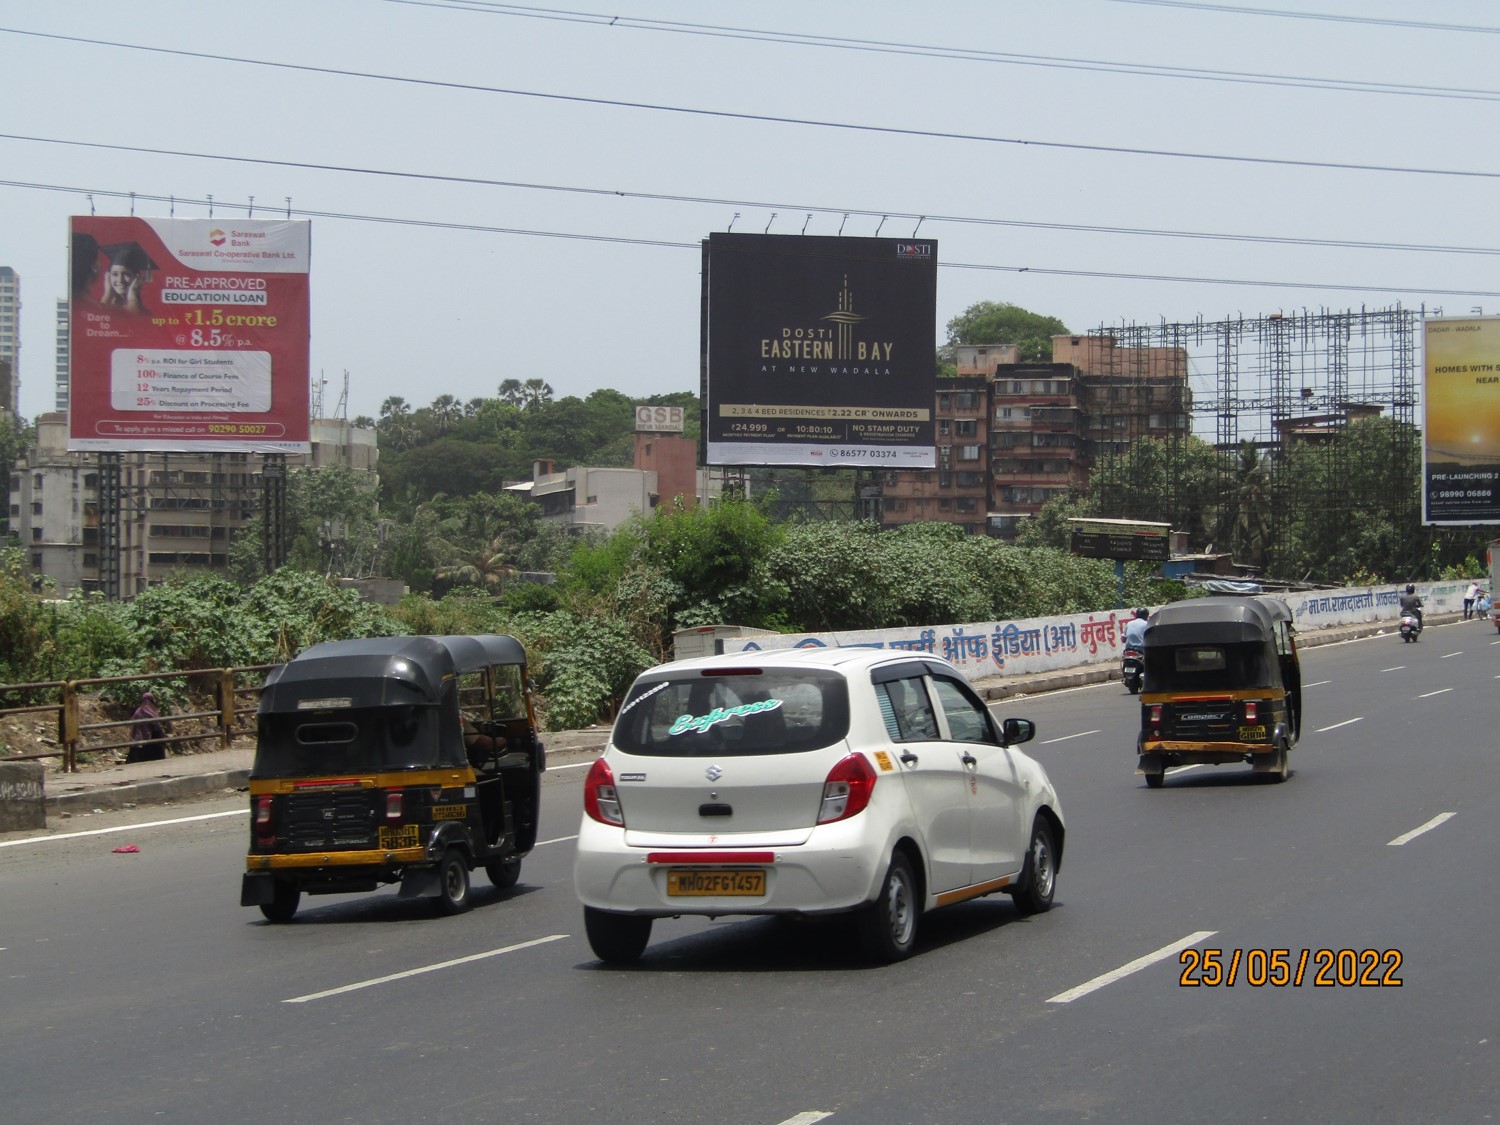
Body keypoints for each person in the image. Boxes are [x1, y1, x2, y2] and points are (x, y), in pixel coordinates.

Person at [100, 244, 151, 314]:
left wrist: (132, 295)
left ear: (137, 278)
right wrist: (108, 294)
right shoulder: (98, 305)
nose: (120, 280)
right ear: (108, 276)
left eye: (126, 274)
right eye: (115, 274)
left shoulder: (145, 313)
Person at [126, 691, 168, 763]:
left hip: (137, 744)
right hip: (151, 746)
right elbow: (157, 728)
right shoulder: (151, 712)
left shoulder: (137, 712)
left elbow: (133, 727)